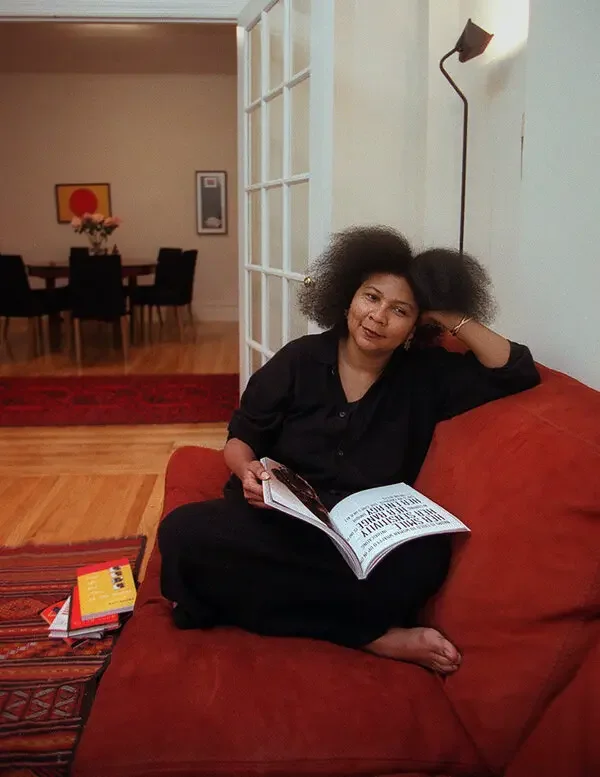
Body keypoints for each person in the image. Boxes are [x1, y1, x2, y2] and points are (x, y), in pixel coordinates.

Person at [159, 226, 540, 675]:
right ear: (348, 297)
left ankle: (288, 609)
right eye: (371, 297)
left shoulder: (428, 376)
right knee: (183, 533)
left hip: (364, 539)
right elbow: (242, 437)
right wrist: (248, 473)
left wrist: (448, 313)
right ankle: (369, 635)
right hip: (283, 523)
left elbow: (516, 371)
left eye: (400, 310)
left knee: (427, 558)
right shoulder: (299, 359)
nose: (378, 316)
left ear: (417, 325)